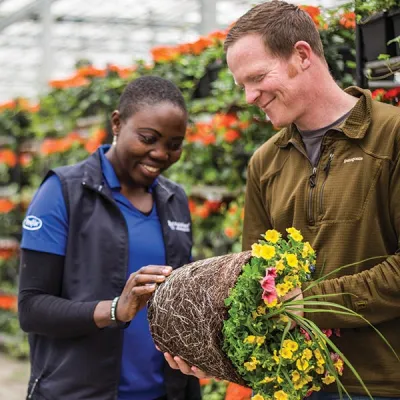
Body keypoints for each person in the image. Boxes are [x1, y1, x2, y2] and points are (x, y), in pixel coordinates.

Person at [164, 1, 400, 399]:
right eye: (242, 85)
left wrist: (306, 302)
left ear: (302, 55)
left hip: (380, 384)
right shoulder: (266, 161)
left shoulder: (390, 137)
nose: (250, 96)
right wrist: (208, 345)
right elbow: (250, 280)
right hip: (296, 385)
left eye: (257, 77)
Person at [18, 76, 201, 400]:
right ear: (117, 123)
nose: (161, 154)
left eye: (174, 145)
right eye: (148, 138)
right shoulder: (63, 192)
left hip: (165, 393)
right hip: (79, 392)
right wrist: (116, 309)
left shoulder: (174, 199)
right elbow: (32, 308)